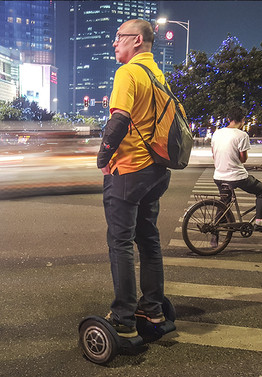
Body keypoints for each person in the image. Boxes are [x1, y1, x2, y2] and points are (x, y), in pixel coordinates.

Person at [95, 19, 171, 338]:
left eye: (119, 38)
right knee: (148, 239)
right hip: (156, 170)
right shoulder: (158, 75)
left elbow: (119, 120)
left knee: (120, 242)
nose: (114, 43)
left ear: (137, 41)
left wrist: (102, 158)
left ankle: (123, 316)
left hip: (128, 169)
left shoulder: (127, 72)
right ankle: (152, 310)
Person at [211, 106, 262, 240]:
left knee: (224, 203)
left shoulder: (217, 133)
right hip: (236, 176)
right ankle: (259, 222)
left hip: (219, 175)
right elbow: (243, 159)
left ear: (228, 119)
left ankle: (215, 232)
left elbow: (214, 155)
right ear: (242, 120)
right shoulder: (242, 135)